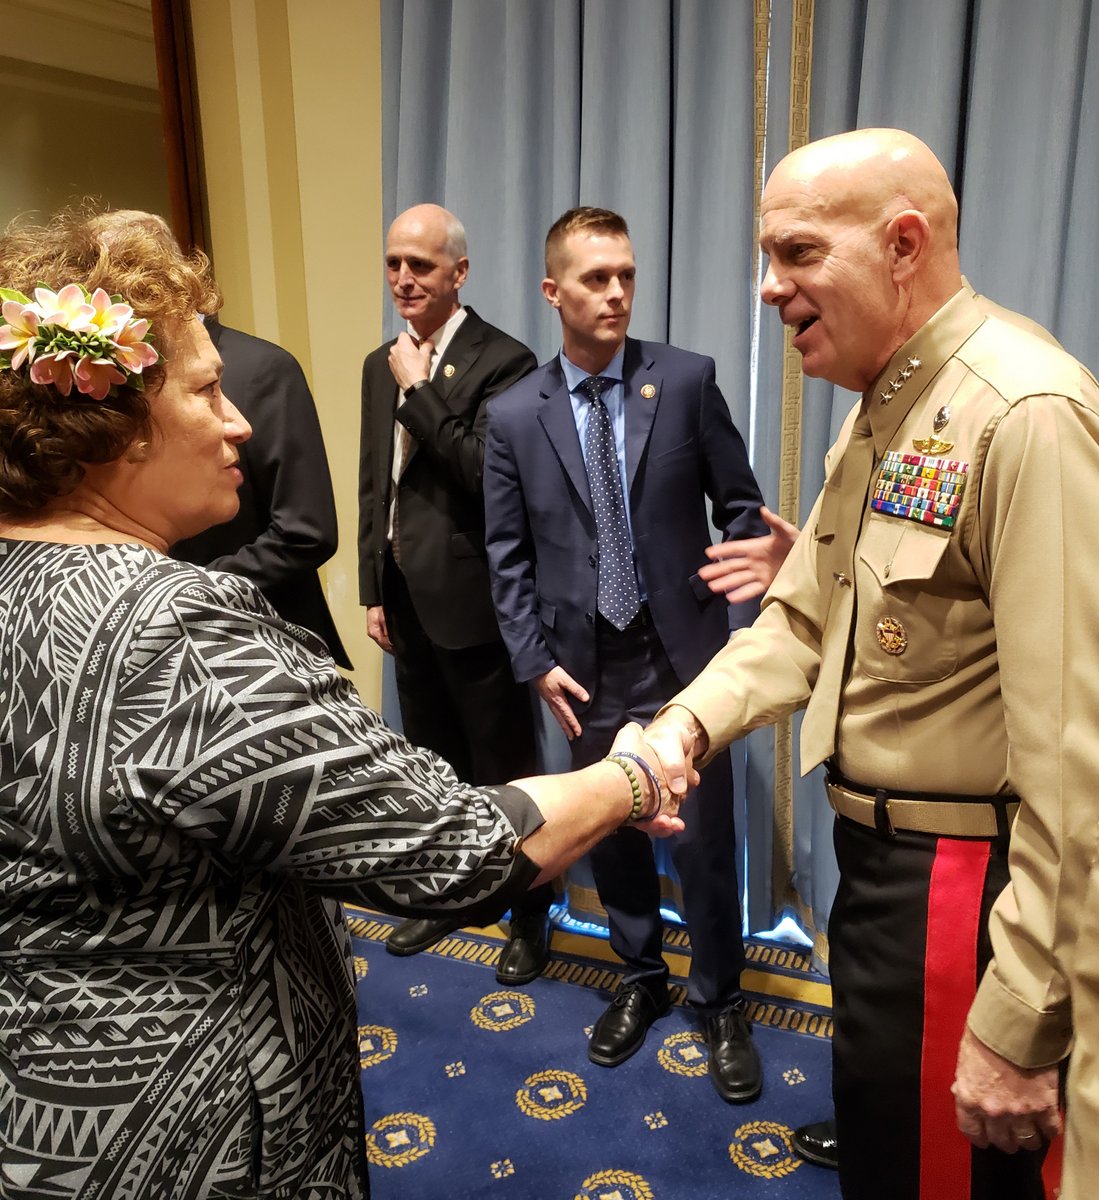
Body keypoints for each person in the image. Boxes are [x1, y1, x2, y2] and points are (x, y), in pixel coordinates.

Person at [0, 211, 682, 1199]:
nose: (239, 420)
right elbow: (460, 852)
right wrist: (635, 771)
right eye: (206, 390)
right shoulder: (174, 628)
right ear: (110, 419)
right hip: (195, 1136)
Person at [642, 128, 1099, 1200]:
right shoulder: (892, 406)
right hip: (887, 876)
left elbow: (1078, 765)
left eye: (797, 254)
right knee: (889, 1152)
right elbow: (801, 623)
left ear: (902, 245)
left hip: (968, 896)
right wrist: (684, 728)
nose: (769, 288)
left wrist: (1016, 1017)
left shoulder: (1023, 413)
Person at [483, 206, 770, 1104]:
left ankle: (720, 997)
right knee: (610, 833)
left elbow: (741, 509)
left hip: (685, 658)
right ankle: (640, 978)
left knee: (708, 841)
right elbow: (507, 553)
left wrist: (738, 630)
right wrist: (533, 661)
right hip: (581, 669)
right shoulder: (512, 414)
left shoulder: (683, 381)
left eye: (626, 277)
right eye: (596, 277)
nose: (615, 293)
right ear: (551, 290)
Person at [357, 203, 554, 983]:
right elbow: (379, 479)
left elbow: (484, 477)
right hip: (405, 597)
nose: (403, 279)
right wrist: (375, 582)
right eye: (394, 264)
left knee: (504, 764)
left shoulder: (506, 361)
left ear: (458, 273)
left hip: (478, 603)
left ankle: (532, 916)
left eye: (421, 266)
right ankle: (450, 897)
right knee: (433, 765)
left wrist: (420, 392)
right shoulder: (382, 361)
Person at [89, 210, 352, 670]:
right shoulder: (98, 386)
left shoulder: (266, 369)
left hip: (267, 640)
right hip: (143, 646)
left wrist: (184, 591)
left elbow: (305, 531)